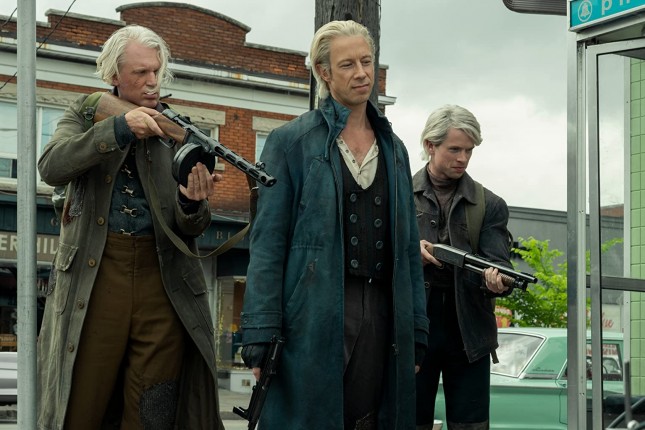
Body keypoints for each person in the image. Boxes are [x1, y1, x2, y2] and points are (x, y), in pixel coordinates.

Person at [239, 19, 429, 430]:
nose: (361, 73)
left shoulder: (395, 149)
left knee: (370, 420)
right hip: (313, 312)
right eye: (347, 65)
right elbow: (268, 244)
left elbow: (408, 249)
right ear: (324, 73)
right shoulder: (290, 142)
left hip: (383, 311)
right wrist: (259, 333)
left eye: (367, 61)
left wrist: (415, 329)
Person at [37, 25, 224, 430]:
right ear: (114, 75)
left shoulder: (179, 130)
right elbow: (51, 166)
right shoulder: (85, 113)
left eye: (156, 70)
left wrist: (192, 201)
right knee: (81, 407)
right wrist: (120, 129)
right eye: (140, 72)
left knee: (153, 411)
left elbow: (191, 227)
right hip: (96, 277)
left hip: (163, 282)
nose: (152, 81)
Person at [413, 105, 512, 430]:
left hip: (469, 331)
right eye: (455, 149)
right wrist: (411, 252)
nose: (463, 158)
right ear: (430, 145)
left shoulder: (490, 204)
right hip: (414, 327)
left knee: (471, 425)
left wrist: (496, 282)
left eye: (469, 150)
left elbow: (499, 264)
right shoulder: (398, 195)